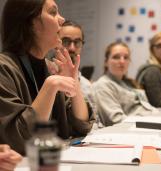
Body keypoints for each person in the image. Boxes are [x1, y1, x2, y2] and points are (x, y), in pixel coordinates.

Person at [0, 0, 94, 155]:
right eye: (52, 12)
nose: (62, 19)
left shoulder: (50, 68)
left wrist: (74, 82)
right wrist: (50, 86)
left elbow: (81, 125)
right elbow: (21, 140)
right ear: (31, 23)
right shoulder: (4, 68)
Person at [92, 42, 159, 127]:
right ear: (106, 62)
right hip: (139, 128)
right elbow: (116, 120)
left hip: (153, 119)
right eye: (116, 57)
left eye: (126, 57)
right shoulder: (102, 85)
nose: (122, 61)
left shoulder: (127, 83)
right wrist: (151, 121)